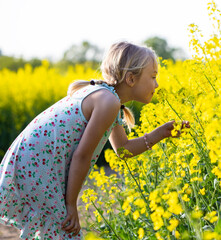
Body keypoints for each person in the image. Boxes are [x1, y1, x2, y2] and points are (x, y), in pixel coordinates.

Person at [0, 41, 190, 239]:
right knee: (64, 231)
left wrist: (162, 133)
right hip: (37, 166)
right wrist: (71, 204)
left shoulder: (109, 99)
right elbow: (82, 156)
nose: (157, 84)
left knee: (57, 233)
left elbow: (123, 150)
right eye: (153, 77)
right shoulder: (108, 101)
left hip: (31, 162)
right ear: (131, 79)